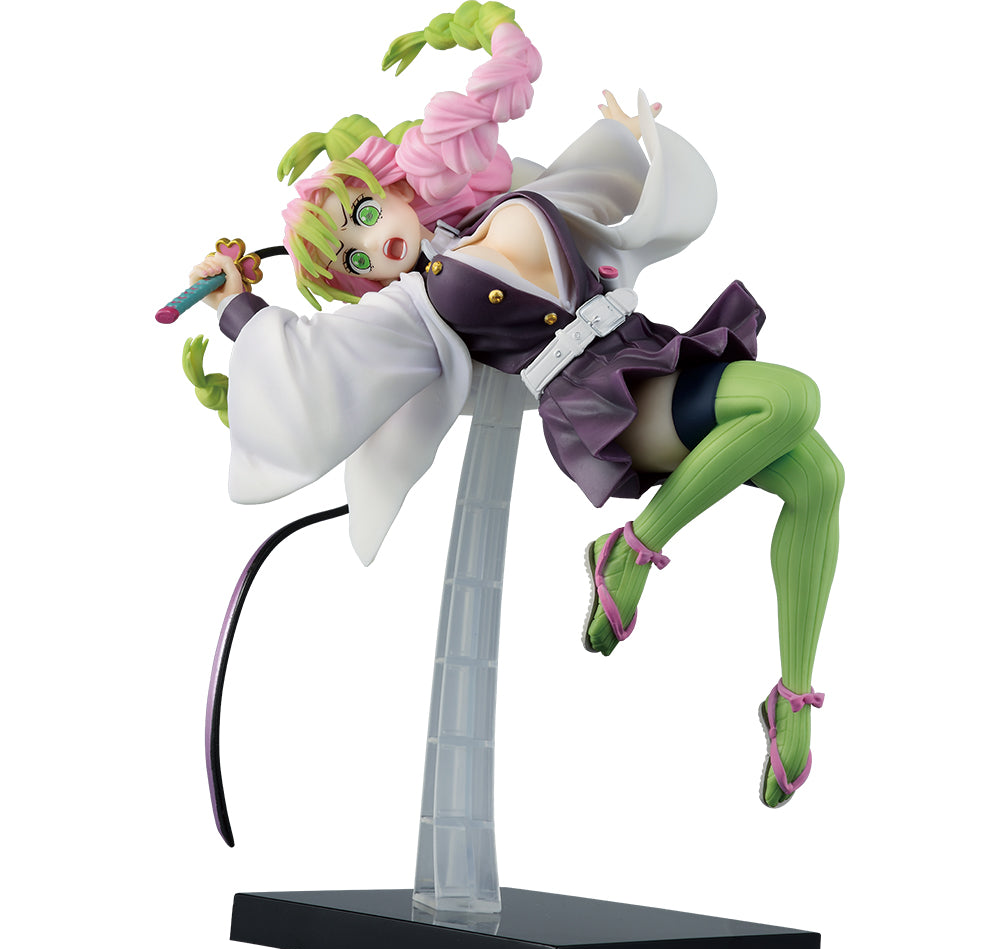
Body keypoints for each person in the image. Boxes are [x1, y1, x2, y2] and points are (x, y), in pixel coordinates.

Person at [185, 6, 843, 807]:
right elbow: (312, 360)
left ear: (388, 185)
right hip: (606, 404)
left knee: (820, 480)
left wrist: (502, 44)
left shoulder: (498, 206)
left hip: (653, 353)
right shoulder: (413, 305)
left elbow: (510, 85)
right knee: (791, 399)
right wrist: (234, 305)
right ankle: (632, 550)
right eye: (352, 259)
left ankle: (792, 697)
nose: (373, 243)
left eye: (363, 213)